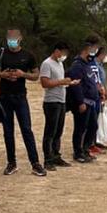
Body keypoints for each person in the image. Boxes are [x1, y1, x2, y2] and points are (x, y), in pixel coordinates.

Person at [0, 29, 46, 176]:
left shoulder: (28, 55)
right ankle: (11, 163)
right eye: (9, 37)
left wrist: (23, 74)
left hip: (21, 97)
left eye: (15, 37)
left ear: (20, 38)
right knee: (8, 131)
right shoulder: (0, 54)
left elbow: (36, 75)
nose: (12, 40)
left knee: (26, 130)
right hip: (5, 97)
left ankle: (35, 163)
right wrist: (2, 74)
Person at [40, 42, 77, 170]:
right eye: (63, 52)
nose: (64, 55)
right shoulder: (47, 64)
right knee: (50, 131)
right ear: (56, 51)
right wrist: (61, 81)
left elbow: (60, 82)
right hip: (51, 102)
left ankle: (56, 155)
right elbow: (44, 83)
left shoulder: (60, 64)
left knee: (58, 131)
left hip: (61, 101)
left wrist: (69, 83)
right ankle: (48, 159)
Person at [67, 37, 101, 163]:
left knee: (93, 126)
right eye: (93, 49)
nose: (94, 52)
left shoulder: (87, 64)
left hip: (91, 102)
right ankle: (78, 152)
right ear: (86, 50)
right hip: (83, 102)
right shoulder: (77, 65)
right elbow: (76, 86)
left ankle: (86, 149)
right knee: (80, 128)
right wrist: (80, 102)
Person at [92, 46, 107, 153]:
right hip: (96, 94)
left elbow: (102, 81)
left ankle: (95, 141)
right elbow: (97, 81)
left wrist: (105, 91)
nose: (106, 57)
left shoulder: (100, 65)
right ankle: (90, 143)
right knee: (93, 119)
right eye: (105, 54)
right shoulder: (94, 64)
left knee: (97, 119)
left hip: (100, 94)